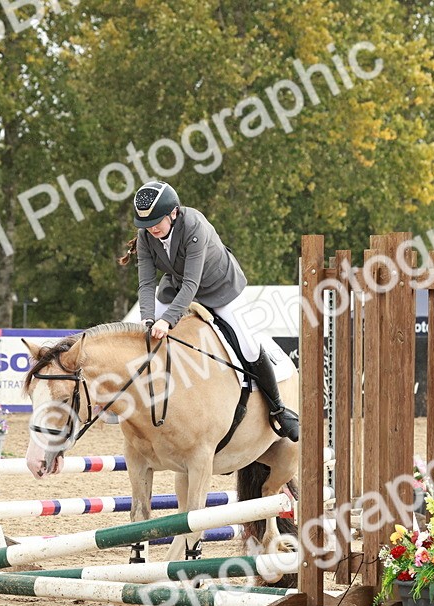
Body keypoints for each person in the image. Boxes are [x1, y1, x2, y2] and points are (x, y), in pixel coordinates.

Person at [118, 180, 299, 442]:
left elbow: (192, 284)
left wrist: (167, 321)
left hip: (219, 287)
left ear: (173, 213)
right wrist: (148, 319)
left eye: (156, 221)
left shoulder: (194, 226)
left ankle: (278, 409)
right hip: (175, 288)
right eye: (146, 224)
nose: (152, 228)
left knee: (249, 347)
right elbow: (146, 283)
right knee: (140, 337)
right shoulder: (147, 236)